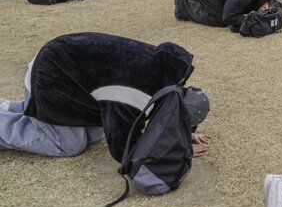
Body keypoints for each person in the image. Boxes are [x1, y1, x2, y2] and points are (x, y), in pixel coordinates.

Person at [0, 32, 210, 160]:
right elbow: (123, 148)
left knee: (94, 136)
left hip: (70, 76)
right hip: (50, 75)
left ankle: (8, 108)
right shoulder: (134, 93)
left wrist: (182, 133)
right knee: (69, 145)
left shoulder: (165, 75)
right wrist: (175, 150)